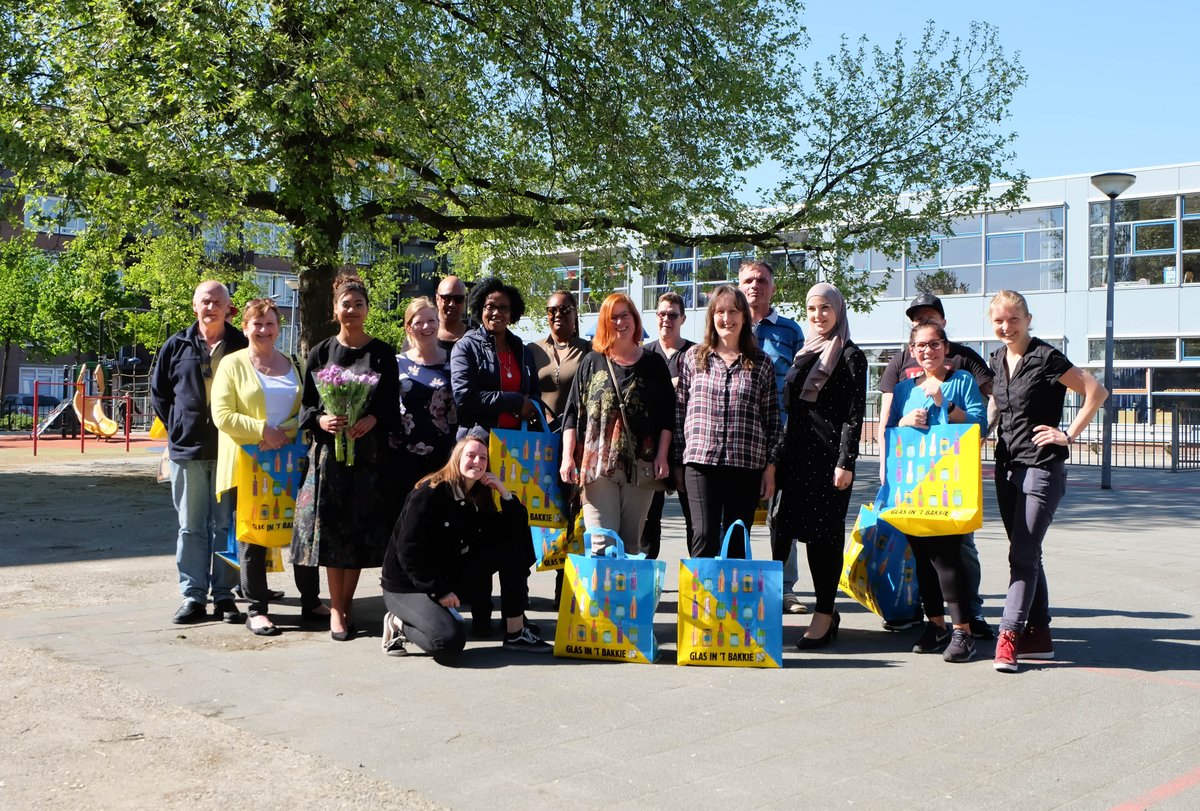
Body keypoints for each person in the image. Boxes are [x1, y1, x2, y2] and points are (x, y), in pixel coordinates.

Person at [988, 290, 1108, 673]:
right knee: (1027, 551)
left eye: (1013, 319)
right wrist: (981, 429)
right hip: (1006, 466)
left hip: (1041, 466)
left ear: (1028, 318)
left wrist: (1068, 434)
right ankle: (1040, 636)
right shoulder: (996, 359)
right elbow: (998, 405)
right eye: (999, 321)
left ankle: (1009, 636)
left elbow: (1096, 391)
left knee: (1021, 555)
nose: (1006, 327)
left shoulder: (1046, 357)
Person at [878, 292, 995, 639]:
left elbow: (979, 426)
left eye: (934, 344)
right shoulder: (902, 388)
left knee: (950, 556)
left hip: (949, 482)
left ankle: (964, 628)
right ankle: (937, 625)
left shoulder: (962, 379)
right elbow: (889, 430)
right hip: (915, 483)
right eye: (920, 346)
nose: (927, 351)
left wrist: (947, 405)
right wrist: (902, 422)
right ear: (912, 350)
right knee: (921, 557)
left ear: (945, 345)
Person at [291, 274, 400, 641]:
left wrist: (370, 419)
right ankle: (337, 610)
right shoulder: (321, 352)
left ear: (367, 309)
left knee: (354, 533)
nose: (351, 310)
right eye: (345, 304)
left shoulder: (382, 352)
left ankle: (345, 604)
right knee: (333, 534)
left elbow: (390, 409)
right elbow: (306, 408)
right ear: (334, 309)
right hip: (330, 457)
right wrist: (323, 419)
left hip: (367, 457)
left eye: (358, 304)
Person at [211, 298, 329, 635]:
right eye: (257, 324)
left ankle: (311, 599)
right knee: (253, 536)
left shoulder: (293, 363)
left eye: (270, 324)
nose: (264, 330)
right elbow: (222, 415)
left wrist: (284, 432)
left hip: (290, 459)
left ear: (279, 328)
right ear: (245, 327)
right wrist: (263, 431)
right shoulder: (231, 365)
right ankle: (257, 609)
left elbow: (307, 409)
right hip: (247, 461)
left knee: (301, 530)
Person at [379, 432, 549, 656]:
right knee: (447, 642)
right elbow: (408, 551)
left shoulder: (476, 494)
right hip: (409, 586)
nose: (477, 462)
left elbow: (513, 530)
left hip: (447, 575)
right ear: (457, 458)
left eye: (483, 458)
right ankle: (397, 624)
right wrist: (440, 591)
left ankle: (516, 631)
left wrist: (505, 493)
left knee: (511, 548)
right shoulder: (430, 493)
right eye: (471, 456)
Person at [151, 280, 248, 625]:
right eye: (205, 301)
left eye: (217, 302)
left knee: (227, 526)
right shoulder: (176, 345)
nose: (211, 307)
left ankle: (225, 596)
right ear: (195, 306)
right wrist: (179, 427)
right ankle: (193, 596)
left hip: (231, 450)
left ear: (227, 307)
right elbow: (159, 393)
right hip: (187, 451)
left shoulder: (241, 344)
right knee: (191, 526)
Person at [775, 283, 866, 649]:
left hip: (829, 461)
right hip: (797, 457)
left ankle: (825, 613)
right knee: (792, 531)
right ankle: (823, 609)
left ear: (839, 310)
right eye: (812, 309)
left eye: (825, 308)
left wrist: (846, 461)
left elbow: (854, 415)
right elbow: (794, 412)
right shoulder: (805, 353)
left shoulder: (849, 355)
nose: (818, 316)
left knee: (824, 539)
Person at [560, 293, 674, 553]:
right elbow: (572, 413)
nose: (620, 322)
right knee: (602, 543)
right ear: (604, 324)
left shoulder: (654, 364)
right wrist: (568, 457)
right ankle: (602, 595)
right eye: (613, 317)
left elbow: (667, 415)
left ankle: (624, 595)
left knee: (631, 545)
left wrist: (663, 456)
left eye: (625, 315)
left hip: (641, 466)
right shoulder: (591, 362)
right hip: (596, 466)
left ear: (635, 320)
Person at [676, 286, 780, 558]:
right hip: (700, 462)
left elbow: (772, 420)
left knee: (736, 539)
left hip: (745, 464)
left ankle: (733, 601)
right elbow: (679, 411)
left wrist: (770, 469)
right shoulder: (694, 358)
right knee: (704, 536)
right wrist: (678, 461)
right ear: (711, 317)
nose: (726, 318)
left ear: (744, 317)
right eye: (719, 312)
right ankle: (701, 599)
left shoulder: (761, 362)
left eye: (733, 311)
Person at [739, 259, 807, 614]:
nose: (755, 286)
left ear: (773, 287)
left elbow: (799, 387)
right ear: (739, 285)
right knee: (739, 515)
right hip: (740, 437)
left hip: (780, 438)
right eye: (749, 280)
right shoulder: (729, 326)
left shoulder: (790, 331)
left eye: (762, 280)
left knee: (782, 515)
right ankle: (744, 584)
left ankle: (784, 588)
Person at [639, 292, 696, 558]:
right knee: (649, 520)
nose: (666, 319)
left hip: (688, 450)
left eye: (673, 314)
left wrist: (675, 387)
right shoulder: (644, 355)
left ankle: (700, 579)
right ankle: (647, 581)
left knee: (696, 521)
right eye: (662, 314)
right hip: (651, 451)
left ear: (682, 318)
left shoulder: (696, 354)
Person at [450, 277, 539, 439]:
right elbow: (464, 397)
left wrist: (530, 406)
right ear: (480, 309)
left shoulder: (524, 351)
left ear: (512, 313)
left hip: (518, 444)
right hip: (478, 443)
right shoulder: (466, 347)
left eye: (503, 308)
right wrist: (515, 401)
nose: (496, 313)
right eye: (490, 306)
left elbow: (535, 395)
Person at [395, 297, 458, 500]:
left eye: (431, 321)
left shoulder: (454, 361)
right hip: (405, 455)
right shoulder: (397, 363)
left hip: (445, 456)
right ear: (408, 328)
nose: (426, 326)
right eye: (419, 322)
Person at [527, 290, 591, 429]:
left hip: (576, 431)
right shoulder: (532, 349)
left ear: (575, 313)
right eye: (552, 310)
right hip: (540, 432)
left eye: (564, 309)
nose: (557, 314)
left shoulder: (589, 350)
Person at [435, 275, 469, 351]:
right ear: (437, 299)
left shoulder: (475, 338)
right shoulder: (423, 335)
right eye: (447, 298)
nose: (452, 304)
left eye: (458, 299)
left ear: (465, 301)